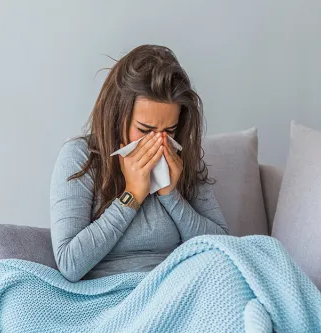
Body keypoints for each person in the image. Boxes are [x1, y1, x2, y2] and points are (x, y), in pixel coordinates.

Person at [50, 44, 229, 282]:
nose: (158, 142)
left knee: (265, 251)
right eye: (145, 129)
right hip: (115, 294)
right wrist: (132, 196)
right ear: (116, 116)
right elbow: (70, 264)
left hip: (180, 284)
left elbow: (224, 247)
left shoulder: (181, 159)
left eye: (170, 130)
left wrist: (171, 195)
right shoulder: (80, 157)